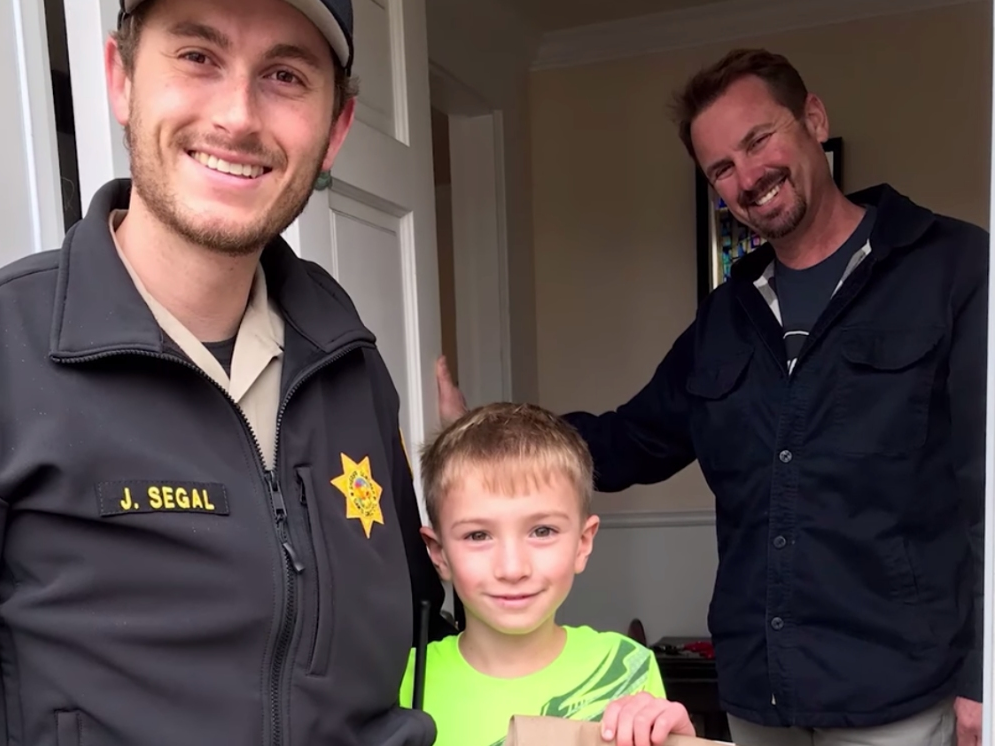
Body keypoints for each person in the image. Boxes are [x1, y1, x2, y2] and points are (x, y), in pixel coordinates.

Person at [437, 48, 987, 746]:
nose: (746, 178)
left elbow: (989, 489)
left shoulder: (953, 268)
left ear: (813, 119)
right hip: (757, 692)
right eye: (720, 168)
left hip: (897, 693)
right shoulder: (727, 316)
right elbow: (626, 441)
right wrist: (482, 437)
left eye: (758, 141)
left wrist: (983, 674)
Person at [0, 0, 451, 744]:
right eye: (197, 57)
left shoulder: (351, 363)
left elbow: (407, 643)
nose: (238, 117)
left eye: (284, 75)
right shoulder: (12, 351)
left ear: (336, 128)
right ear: (121, 78)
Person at [398, 402, 695, 746]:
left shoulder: (625, 667)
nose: (513, 569)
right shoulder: (401, 684)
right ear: (439, 554)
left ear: (582, 543)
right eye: (478, 535)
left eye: (542, 531)